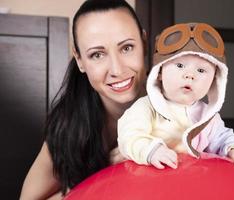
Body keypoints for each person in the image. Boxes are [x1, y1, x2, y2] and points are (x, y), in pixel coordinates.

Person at [20, 0, 147, 199]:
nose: (117, 70)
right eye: (97, 55)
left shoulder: (180, 107)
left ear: (144, 43)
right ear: (79, 60)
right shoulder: (69, 126)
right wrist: (104, 176)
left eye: (127, 48)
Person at [118, 23, 234, 171]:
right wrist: (151, 151)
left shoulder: (208, 116)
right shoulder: (146, 107)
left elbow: (223, 138)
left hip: (189, 182)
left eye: (201, 70)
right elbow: (129, 136)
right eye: (180, 66)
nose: (190, 75)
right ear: (160, 72)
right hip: (148, 178)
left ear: (214, 82)